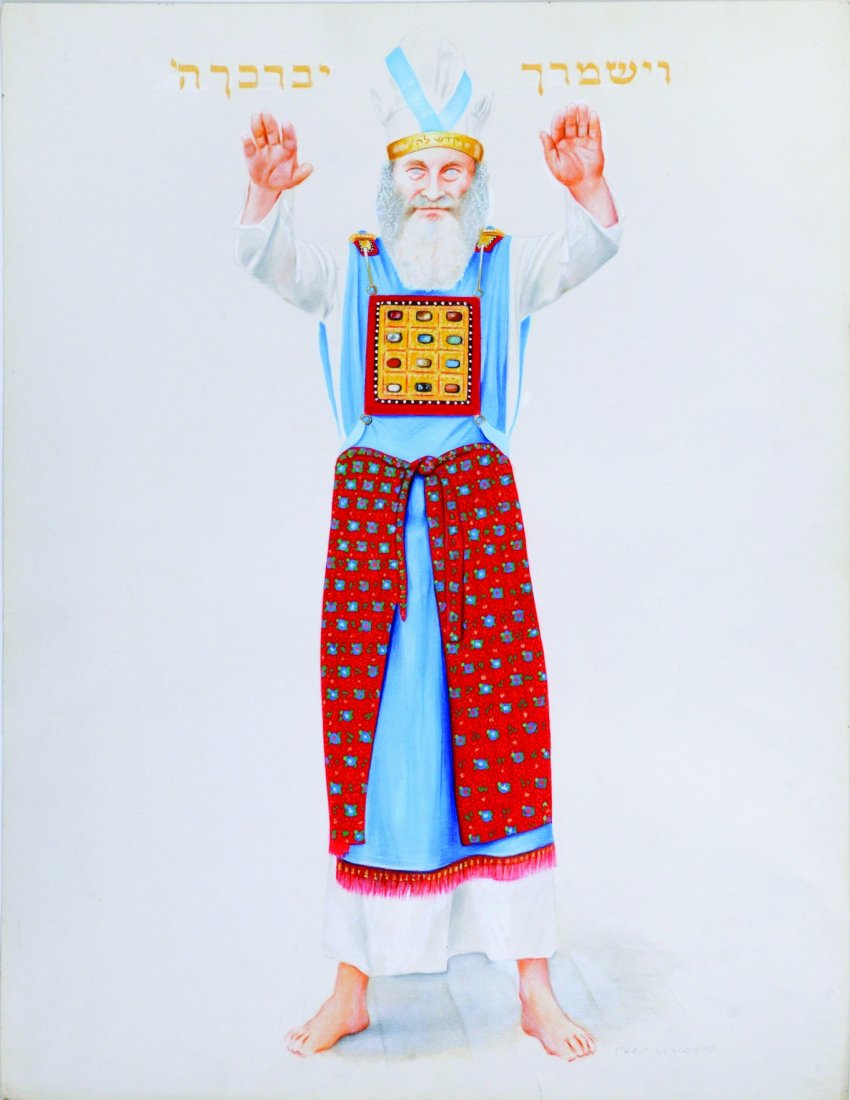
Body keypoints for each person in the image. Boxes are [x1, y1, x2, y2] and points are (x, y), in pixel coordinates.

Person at [234, 34, 622, 1062]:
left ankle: (532, 986)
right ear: (392, 178)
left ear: (475, 176)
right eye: (419, 171)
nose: (436, 189)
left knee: (502, 728)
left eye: (453, 170)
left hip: (473, 519)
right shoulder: (354, 267)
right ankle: (351, 985)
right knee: (376, 742)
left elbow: (583, 253)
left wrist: (588, 188)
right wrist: (265, 196)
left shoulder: (500, 266)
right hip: (376, 530)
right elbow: (275, 265)